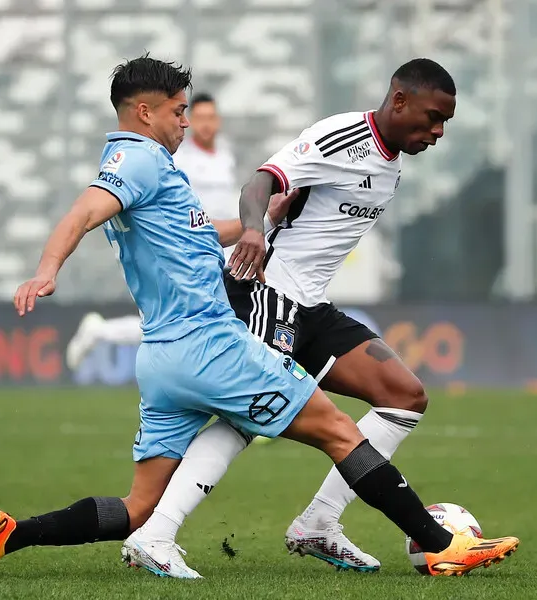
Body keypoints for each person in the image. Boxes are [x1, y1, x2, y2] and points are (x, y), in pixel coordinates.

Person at [0, 53, 518, 580]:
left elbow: (193, 231)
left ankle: (9, 536)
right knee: (337, 430)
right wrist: (47, 267)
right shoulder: (134, 162)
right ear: (144, 112)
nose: (188, 122)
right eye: (179, 111)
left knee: (138, 506)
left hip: (164, 358)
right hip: (215, 341)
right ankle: (442, 543)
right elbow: (87, 208)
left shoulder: (160, 175)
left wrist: (255, 225)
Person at [124, 58, 515, 574]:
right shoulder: (341, 136)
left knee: (404, 396)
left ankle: (319, 523)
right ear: (398, 100)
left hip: (311, 305)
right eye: (431, 116)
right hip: (265, 292)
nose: (438, 131)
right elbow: (259, 182)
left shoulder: (391, 163)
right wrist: (252, 230)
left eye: (446, 121)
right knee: (247, 420)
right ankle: (156, 534)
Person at [64, 92, 240, 369]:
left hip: (216, 244)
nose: (205, 124)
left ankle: (101, 331)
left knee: (192, 319)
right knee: (170, 320)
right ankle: (101, 332)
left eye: (211, 118)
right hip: (180, 246)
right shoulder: (179, 156)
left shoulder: (226, 155)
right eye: (200, 117)